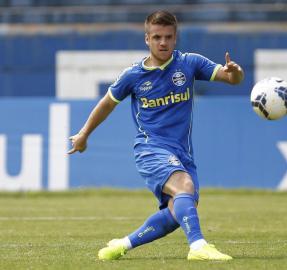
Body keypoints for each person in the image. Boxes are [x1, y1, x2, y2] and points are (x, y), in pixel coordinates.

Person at [68, 10, 244, 261]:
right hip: (151, 149)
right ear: (147, 39)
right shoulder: (133, 75)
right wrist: (84, 134)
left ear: (176, 38)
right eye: (157, 37)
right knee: (184, 186)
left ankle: (122, 245)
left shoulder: (190, 63)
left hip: (182, 152)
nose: (163, 42)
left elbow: (232, 79)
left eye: (168, 37)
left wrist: (235, 71)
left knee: (178, 212)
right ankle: (198, 247)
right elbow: (107, 103)